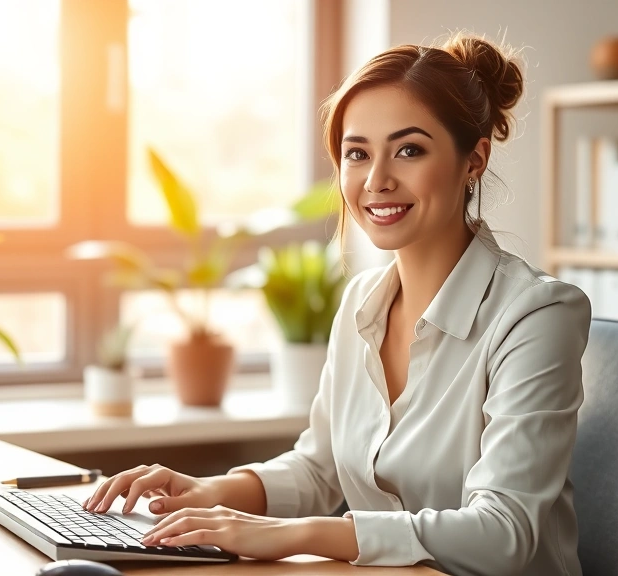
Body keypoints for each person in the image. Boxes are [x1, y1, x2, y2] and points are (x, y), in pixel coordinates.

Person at [84, 31, 590, 576]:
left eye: (409, 150)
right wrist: (211, 491)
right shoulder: (360, 304)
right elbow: (320, 467)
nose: (377, 180)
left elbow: (504, 533)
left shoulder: (536, 316)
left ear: (474, 161)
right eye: (357, 153)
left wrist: (292, 535)